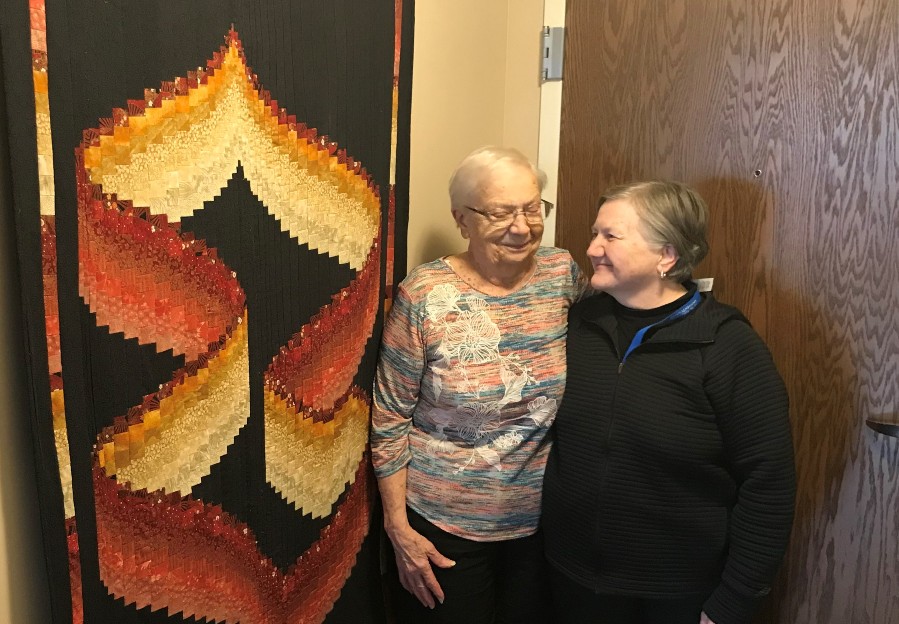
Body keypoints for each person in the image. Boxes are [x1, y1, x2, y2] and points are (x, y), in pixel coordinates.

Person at [542, 180, 795, 624]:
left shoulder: (725, 343)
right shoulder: (579, 324)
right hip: (572, 579)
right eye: (595, 233)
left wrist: (734, 601)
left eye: (611, 237)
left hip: (678, 592)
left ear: (667, 256)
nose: (592, 248)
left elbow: (768, 482)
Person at [371, 146, 585, 624]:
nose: (522, 226)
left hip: (540, 527)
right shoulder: (424, 296)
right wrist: (398, 528)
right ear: (461, 219)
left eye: (533, 208)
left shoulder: (562, 275)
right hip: (444, 530)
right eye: (500, 212)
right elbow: (389, 418)